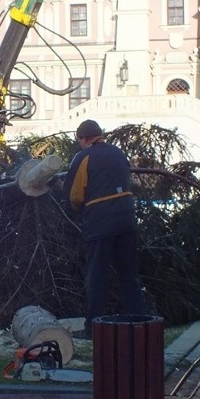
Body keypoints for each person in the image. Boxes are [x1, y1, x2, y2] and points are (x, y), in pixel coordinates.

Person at [64, 120, 148, 337]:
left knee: (97, 275)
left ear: (84, 139)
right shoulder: (118, 152)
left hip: (100, 220)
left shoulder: (83, 157)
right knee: (129, 274)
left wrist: (75, 210)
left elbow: (75, 195)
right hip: (127, 217)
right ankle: (139, 322)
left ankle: (93, 328)